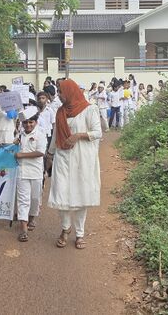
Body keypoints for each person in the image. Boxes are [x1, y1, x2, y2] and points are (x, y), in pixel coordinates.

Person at [48, 80, 102, 250]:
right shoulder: (60, 112)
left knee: (80, 195)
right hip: (63, 157)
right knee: (61, 193)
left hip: (82, 158)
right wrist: (49, 154)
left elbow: (98, 132)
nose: (59, 95)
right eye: (58, 91)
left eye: (61, 92)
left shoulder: (89, 109)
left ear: (70, 92)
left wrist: (78, 135)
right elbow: (56, 135)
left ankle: (80, 234)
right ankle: (65, 229)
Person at [14, 107, 47, 242]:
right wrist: (14, 144)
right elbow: (13, 148)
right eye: (25, 123)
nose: (28, 125)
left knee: (35, 199)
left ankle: (32, 218)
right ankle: (23, 228)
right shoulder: (19, 135)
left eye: (31, 122)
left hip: (36, 172)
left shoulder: (41, 134)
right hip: (21, 172)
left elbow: (40, 152)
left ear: (36, 122)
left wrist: (21, 155)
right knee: (23, 200)